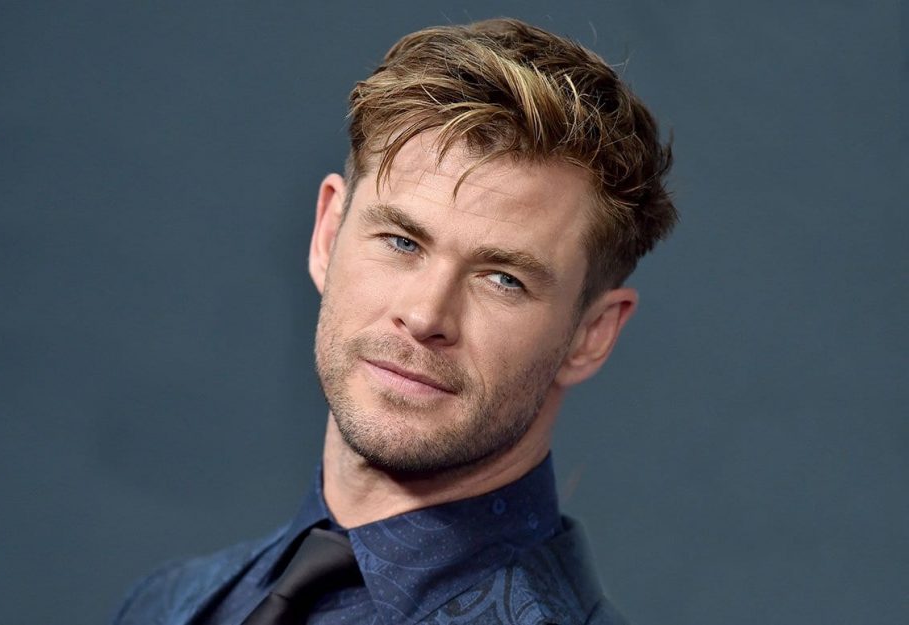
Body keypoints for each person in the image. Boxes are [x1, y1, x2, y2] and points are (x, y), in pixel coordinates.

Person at [112, 17, 676, 625]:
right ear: (328, 234)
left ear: (592, 335)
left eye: (503, 279)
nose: (426, 314)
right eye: (402, 242)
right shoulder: (165, 605)